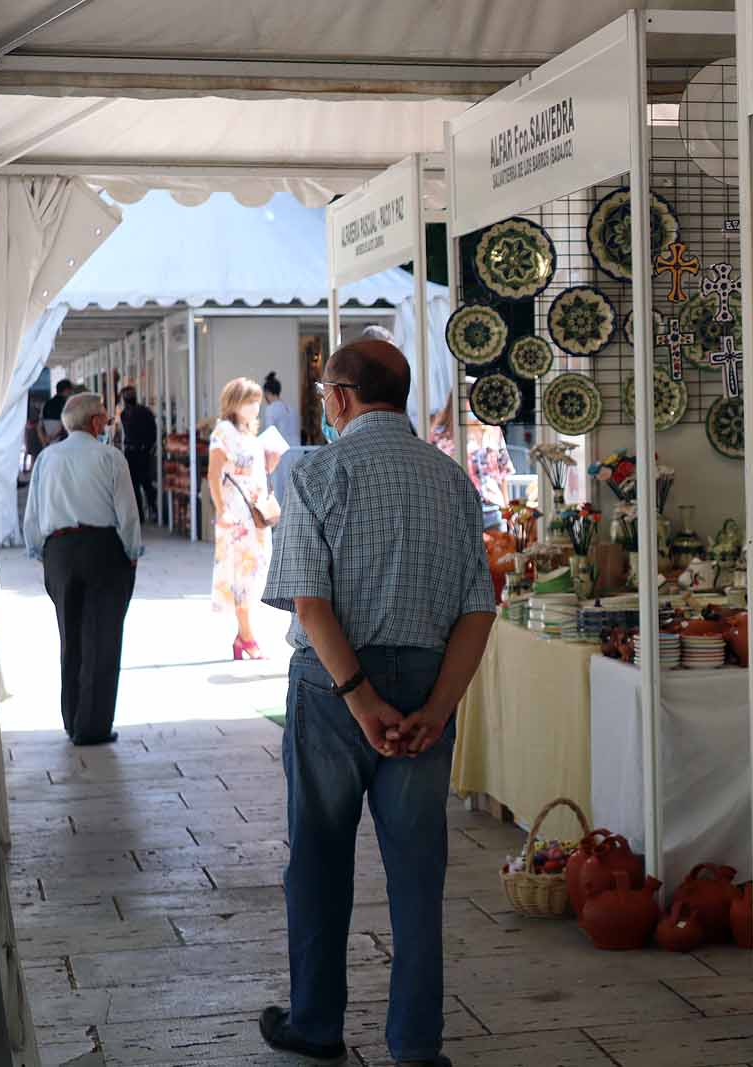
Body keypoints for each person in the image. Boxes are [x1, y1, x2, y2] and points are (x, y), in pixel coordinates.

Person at [258, 338, 492, 1067]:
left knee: (320, 858)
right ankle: (417, 1043)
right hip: (427, 683)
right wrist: (438, 706)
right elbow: (477, 609)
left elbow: (310, 602)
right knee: (418, 868)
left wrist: (360, 699)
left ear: (342, 397)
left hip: (333, 690)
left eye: (327, 391)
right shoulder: (451, 480)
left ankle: (317, 1024)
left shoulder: (317, 471)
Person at [21, 393, 141, 745]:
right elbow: (127, 513)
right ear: (93, 423)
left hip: (59, 550)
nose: (106, 423)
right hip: (103, 549)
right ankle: (93, 726)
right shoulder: (110, 457)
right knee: (103, 639)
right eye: (103, 417)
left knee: (70, 637)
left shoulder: (47, 458)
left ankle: (72, 718)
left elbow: (33, 514)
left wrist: (40, 552)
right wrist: (132, 553)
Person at [209, 377, 281, 661]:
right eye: (249, 401)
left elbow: (255, 472)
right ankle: (247, 636)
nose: (255, 407)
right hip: (237, 514)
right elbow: (214, 475)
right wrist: (221, 510)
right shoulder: (224, 431)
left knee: (255, 573)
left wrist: (269, 463)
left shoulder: (250, 433)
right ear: (235, 402)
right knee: (242, 575)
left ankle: (244, 635)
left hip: (255, 513)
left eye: (256, 401)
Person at [118, 386, 159, 522]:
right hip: (143, 451)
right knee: (146, 482)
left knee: (135, 484)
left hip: (132, 451)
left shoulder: (125, 414)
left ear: (124, 399)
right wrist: (150, 446)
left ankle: (141, 513)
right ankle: (152, 509)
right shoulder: (145, 412)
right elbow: (153, 432)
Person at [260, 371, 301, 446]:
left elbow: (269, 434)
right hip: (297, 451)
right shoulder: (291, 409)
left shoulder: (271, 409)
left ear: (267, 392)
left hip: (283, 453)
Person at [36, 378, 72, 448]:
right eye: (70, 391)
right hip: (61, 442)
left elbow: (39, 426)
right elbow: (63, 424)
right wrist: (50, 438)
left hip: (48, 443)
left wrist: (44, 441)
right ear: (67, 390)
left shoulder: (46, 404)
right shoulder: (66, 404)